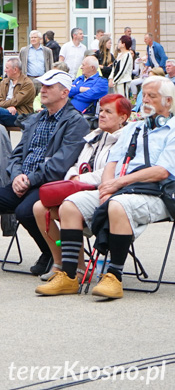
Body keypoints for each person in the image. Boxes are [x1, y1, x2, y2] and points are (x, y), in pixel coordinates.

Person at [34, 79, 174, 299]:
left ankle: (113, 276)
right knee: (70, 205)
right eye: (144, 95)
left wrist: (118, 185)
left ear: (168, 101)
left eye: (152, 96)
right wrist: (106, 189)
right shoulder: (134, 128)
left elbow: (162, 171)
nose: (145, 100)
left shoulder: (173, 130)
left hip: (155, 193)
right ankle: (70, 276)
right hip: (120, 189)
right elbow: (113, 162)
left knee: (117, 205)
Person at [0, 69, 90, 279]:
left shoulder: (76, 122)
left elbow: (61, 164)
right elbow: (17, 154)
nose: (43, 90)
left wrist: (29, 179)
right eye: (43, 86)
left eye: (50, 87)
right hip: (23, 181)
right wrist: (16, 176)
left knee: (25, 210)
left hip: (50, 184)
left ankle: (52, 253)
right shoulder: (38, 118)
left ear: (64, 92)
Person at [32, 93, 129, 289]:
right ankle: (61, 263)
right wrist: (73, 177)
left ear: (123, 118)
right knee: (39, 207)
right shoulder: (93, 137)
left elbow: (112, 172)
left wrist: (80, 179)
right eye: (100, 110)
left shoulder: (125, 141)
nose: (101, 115)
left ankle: (75, 271)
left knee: (69, 206)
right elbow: (76, 164)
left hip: (103, 191)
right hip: (77, 188)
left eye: (108, 111)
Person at [0, 57, 35, 127]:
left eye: (7, 68)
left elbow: (16, 101)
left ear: (15, 70)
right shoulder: (4, 82)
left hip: (21, 115)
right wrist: (7, 108)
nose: (4, 70)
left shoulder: (27, 84)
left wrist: (1, 106)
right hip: (4, 112)